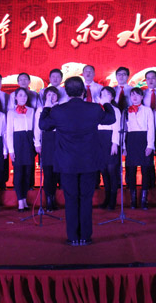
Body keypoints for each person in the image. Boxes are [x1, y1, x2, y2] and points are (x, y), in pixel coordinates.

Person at [39, 76, 115, 246]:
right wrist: (106, 103)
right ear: (83, 92)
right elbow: (111, 119)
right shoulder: (94, 108)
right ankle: (85, 237)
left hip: (67, 162)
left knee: (71, 198)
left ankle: (73, 237)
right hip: (89, 161)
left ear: (66, 92)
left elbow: (43, 125)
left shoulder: (58, 111)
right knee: (86, 198)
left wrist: (47, 106)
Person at [122, 88, 155, 210]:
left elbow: (151, 128)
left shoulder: (147, 110)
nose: (135, 97)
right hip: (131, 140)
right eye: (132, 95)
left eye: (137, 95)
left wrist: (150, 145)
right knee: (131, 170)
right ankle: (133, 199)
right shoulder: (126, 111)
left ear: (142, 97)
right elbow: (123, 129)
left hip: (144, 139)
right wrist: (124, 146)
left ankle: (144, 199)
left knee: (145, 170)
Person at [7, 88, 36, 212]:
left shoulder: (31, 111)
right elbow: (9, 132)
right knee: (18, 173)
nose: (23, 98)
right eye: (20, 95)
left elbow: (34, 129)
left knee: (28, 173)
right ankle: (20, 200)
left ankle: (25, 199)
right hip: (17, 142)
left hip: (28, 142)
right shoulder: (11, 112)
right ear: (15, 97)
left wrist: (36, 143)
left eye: (25, 95)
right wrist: (11, 150)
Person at [34, 87, 61, 212]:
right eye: (49, 94)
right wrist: (37, 143)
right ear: (45, 96)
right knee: (48, 172)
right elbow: (37, 127)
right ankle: (48, 199)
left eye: (53, 94)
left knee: (57, 171)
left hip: (59, 139)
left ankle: (54, 197)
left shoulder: (61, 108)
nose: (51, 97)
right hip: (46, 140)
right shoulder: (41, 109)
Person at [96, 87, 121, 210]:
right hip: (98, 140)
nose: (105, 95)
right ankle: (106, 198)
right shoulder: (96, 108)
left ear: (112, 97)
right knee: (103, 171)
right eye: (103, 94)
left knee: (112, 171)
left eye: (107, 94)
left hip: (110, 140)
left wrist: (115, 143)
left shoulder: (115, 110)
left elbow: (117, 128)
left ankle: (113, 199)